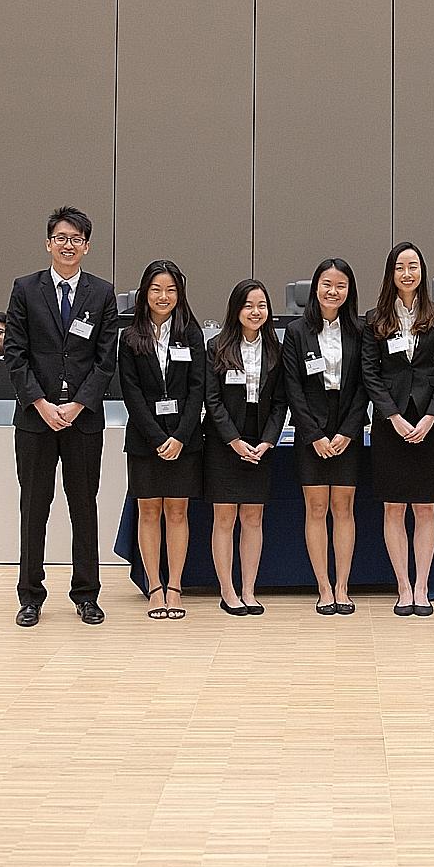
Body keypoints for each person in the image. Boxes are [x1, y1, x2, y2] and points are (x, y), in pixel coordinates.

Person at [4, 206, 119, 628]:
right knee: (34, 508)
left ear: (87, 246)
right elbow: (15, 355)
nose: (68, 246)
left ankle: (86, 595)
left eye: (76, 239)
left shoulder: (102, 293)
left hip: (83, 420)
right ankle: (30, 595)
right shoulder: (25, 290)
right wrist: (40, 403)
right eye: (61, 238)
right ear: (49, 243)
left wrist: (76, 405)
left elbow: (106, 362)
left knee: (83, 506)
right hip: (35, 419)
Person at [361, 241, 434, 617]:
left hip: (430, 425)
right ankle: (402, 586)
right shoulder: (374, 319)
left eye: (413, 266)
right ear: (390, 274)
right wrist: (395, 418)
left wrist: (430, 417)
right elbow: (370, 373)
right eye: (400, 267)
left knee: (426, 509)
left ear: (422, 272)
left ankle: (422, 586)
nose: (407, 273)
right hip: (390, 426)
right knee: (394, 510)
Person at [117, 259, 206, 621]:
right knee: (149, 510)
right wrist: (157, 438)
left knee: (178, 511)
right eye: (156, 289)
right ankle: (154, 585)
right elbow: (131, 393)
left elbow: (199, 388)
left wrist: (181, 436)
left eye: (170, 289)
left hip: (185, 440)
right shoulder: (131, 337)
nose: (163, 296)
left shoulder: (192, 333)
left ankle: (175, 586)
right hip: (144, 440)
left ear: (179, 293)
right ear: (144, 294)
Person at [282, 258, 368, 615]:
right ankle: (324, 587)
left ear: (349, 292)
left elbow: (367, 384)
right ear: (315, 287)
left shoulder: (360, 331)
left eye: (341, 286)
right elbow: (292, 387)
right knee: (316, 509)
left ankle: (343, 586)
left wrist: (349, 431)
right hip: (310, 430)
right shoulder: (297, 331)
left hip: (347, 425)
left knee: (343, 508)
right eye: (327, 285)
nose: (333, 292)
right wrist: (314, 434)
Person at [202, 278, 287, 617]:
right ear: (236, 309)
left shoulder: (276, 351)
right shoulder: (217, 347)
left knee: (253, 517)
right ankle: (228, 590)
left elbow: (281, 402)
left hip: (260, 441)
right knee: (224, 518)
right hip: (225, 441)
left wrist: (267, 440)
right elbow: (212, 400)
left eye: (262, 306)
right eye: (249, 305)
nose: (255, 312)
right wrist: (234, 441)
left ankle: (249, 589)